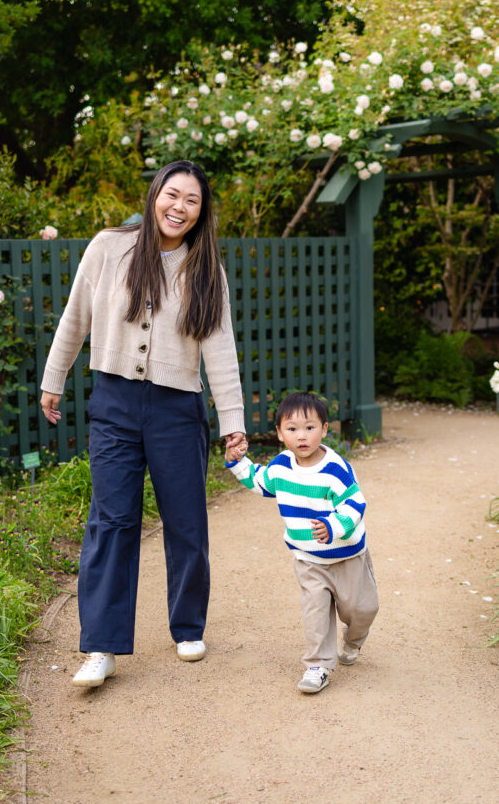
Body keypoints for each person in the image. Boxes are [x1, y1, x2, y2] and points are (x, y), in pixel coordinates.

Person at [40, 160, 246, 688]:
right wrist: (53, 379)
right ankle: (101, 646)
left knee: (186, 521)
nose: (179, 207)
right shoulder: (110, 248)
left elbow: (220, 349)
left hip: (178, 409)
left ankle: (187, 627)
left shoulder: (207, 269)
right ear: (156, 195)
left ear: (202, 213)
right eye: (172, 195)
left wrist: (233, 423)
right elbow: (75, 315)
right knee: (111, 521)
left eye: (192, 201)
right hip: (114, 402)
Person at [225, 391, 379, 694]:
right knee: (315, 612)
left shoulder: (335, 468)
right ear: (280, 434)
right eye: (292, 429)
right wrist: (237, 462)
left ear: (324, 429)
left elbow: (354, 504)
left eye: (310, 427)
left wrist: (333, 526)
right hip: (309, 558)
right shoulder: (281, 467)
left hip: (347, 555)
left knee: (361, 608)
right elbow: (260, 481)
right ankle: (317, 665)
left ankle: (353, 639)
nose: (302, 436)